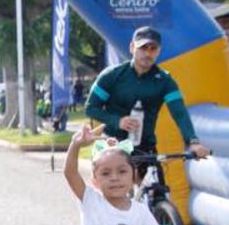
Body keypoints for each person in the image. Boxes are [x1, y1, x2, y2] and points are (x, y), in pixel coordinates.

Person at [85, 26, 210, 164]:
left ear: (159, 51)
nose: (148, 53)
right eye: (143, 48)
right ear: (132, 48)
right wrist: (117, 121)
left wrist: (193, 141)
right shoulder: (111, 75)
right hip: (112, 146)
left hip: (145, 149)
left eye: (153, 49)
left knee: (158, 186)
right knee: (114, 184)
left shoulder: (165, 81)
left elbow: (180, 113)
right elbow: (91, 108)